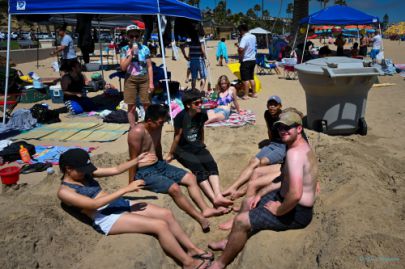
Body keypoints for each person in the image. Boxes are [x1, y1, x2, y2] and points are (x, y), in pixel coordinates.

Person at [57, 148, 212, 269]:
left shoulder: (85, 173)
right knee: (159, 226)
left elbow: (115, 170)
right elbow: (93, 205)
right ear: (68, 169)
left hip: (118, 204)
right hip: (105, 217)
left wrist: (136, 160)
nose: (86, 172)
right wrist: (125, 189)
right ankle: (188, 263)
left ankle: (191, 249)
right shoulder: (65, 192)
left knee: (166, 213)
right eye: (82, 169)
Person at [208, 111, 319, 269]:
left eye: (287, 127)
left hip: (296, 213)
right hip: (284, 199)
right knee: (250, 202)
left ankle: (220, 264)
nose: (282, 130)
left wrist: (279, 210)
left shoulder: (295, 154)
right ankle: (229, 241)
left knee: (241, 221)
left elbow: (295, 195)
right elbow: (288, 180)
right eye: (280, 127)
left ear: (299, 129)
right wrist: (262, 194)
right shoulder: (296, 146)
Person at [128, 104, 224, 232]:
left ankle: (205, 209)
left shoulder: (156, 126)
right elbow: (133, 158)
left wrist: (162, 162)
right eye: (161, 122)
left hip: (158, 164)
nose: (162, 125)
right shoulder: (137, 132)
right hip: (144, 171)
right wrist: (130, 182)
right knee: (174, 188)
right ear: (150, 121)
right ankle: (199, 217)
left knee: (190, 177)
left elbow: (157, 146)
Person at [165, 90, 233, 210]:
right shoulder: (180, 117)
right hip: (183, 150)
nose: (200, 105)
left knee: (212, 165)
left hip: (197, 145)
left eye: (201, 102)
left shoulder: (202, 113)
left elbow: (201, 128)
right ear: (188, 105)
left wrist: (201, 143)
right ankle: (214, 200)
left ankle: (218, 195)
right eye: (197, 103)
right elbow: (177, 136)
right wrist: (171, 154)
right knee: (199, 170)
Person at [223, 96, 285, 201]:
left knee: (263, 162)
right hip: (273, 143)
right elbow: (269, 130)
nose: (272, 107)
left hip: (283, 146)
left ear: (280, 106)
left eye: (275, 105)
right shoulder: (266, 114)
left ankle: (244, 190)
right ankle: (233, 186)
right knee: (253, 161)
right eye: (270, 104)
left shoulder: (283, 117)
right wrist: (269, 145)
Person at [120, 23, 154, 128]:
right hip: (130, 79)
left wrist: (151, 83)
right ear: (127, 37)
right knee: (131, 106)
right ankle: (133, 127)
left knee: (146, 103)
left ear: (140, 36)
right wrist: (131, 55)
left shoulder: (145, 49)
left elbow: (149, 66)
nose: (134, 38)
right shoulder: (124, 49)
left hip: (144, 79)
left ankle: (148, 125)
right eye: (131, 36)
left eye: (137, 36)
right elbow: (123, 67)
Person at [237, 24, 257, 99]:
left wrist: (239, 51)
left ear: (242, 30)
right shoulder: (253, 36)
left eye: (239, 31)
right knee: (251, 77)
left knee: (245, 79)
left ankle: (246, 95)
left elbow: (241, 49)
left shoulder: (244, 37)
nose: (239, 33)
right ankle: (254, 94)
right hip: (253, 59)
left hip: (246, 60)